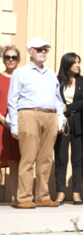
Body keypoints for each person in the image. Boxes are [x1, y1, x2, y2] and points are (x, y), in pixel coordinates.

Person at [7, 38, 66, 208]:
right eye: (39, 49)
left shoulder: (51, 73)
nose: (43, 52)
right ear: (30, 51)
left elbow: (58, 99)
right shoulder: (21, 72)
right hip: (29, 114)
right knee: (28, 157)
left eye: (46, 49)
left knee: (46, 158)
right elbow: (13, 100)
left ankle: (42, 196)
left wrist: (60, 119)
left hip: (50, 116)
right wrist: (14, 125)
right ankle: (24, 197)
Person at [54, 53, 83, 205]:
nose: (78, 65)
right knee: (61, 159)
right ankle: (60, 193)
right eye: (74, 62)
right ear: (66, 64)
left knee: (78, 159)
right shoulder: (56, 81)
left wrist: (66, 107)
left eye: (79, 62)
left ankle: (76, 193)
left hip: (81, 122)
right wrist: (61, 110)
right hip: (61, 124)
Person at [0, 46, 21, 206]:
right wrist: (3, 120)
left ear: (18, 59)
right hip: (1, 124)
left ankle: (15, 198)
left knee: (15, 162)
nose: (10, 60)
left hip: (17, 126)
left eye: (14, 57)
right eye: (7, 57)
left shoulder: (23, 78)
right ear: (3, 59)